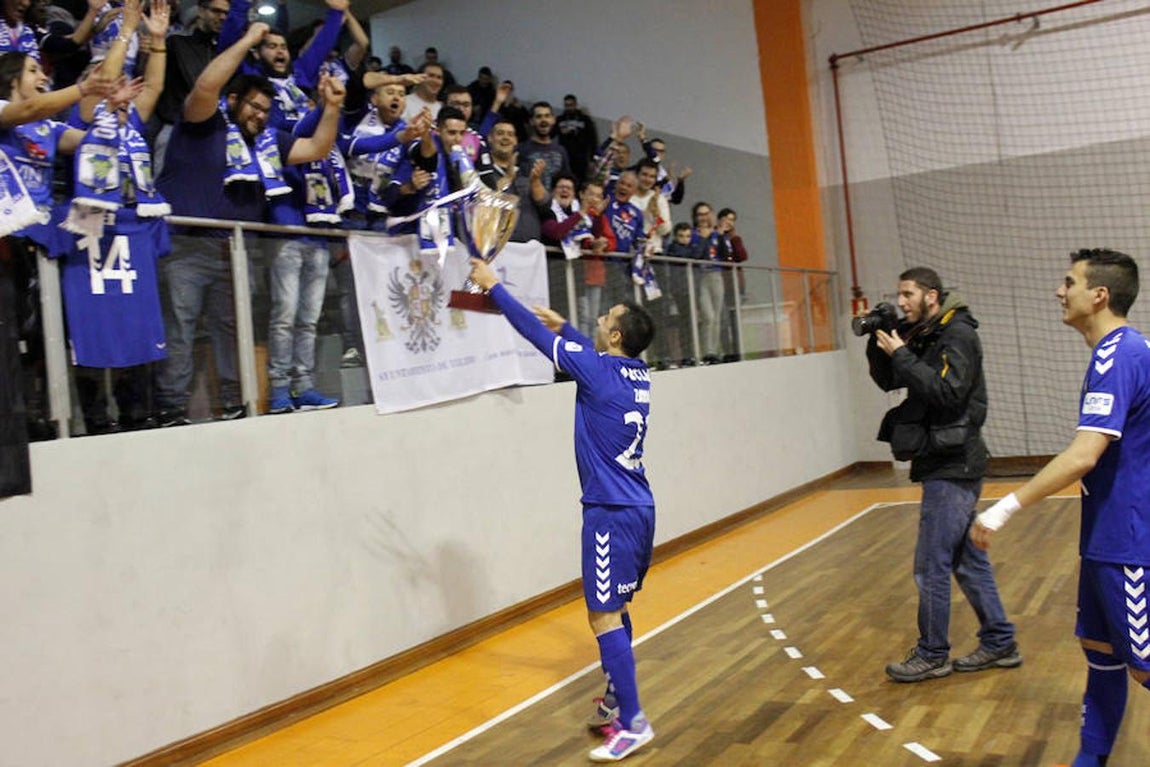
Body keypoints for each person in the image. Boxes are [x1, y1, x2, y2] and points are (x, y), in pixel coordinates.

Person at [467, 257, 657, 763]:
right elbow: (587, 356)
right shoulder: (636, 374)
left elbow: (530, 331)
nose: (598, 321)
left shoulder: (597, 370)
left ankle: (634, 723)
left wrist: (493, 288)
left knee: (601, 616)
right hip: (638, 508)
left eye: (604, 319)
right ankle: (620, 699)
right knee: (617, 608)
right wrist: (569, 330)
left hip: (609, 513)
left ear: (615, 337)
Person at [972, 249, 1150, 767]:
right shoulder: (1114, 353)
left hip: (1130, 543)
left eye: (1068, 282)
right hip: (1104, 538)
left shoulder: (1122, 354)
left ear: (1099, 295)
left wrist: (1003, 507)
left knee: (1144, 666)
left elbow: (1083, 455)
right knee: (1102, 655)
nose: (1059, 291)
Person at [153, 21, 344, 425]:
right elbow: (206, 86)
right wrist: (246, 41)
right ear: (234, 99)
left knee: (231, 332)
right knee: (181, 328)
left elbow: (317, 147)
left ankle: (233, 402)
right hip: (186, 244)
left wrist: (332, 108)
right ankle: (170, 408)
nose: (260, 115)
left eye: (266, 110)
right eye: (253, 107)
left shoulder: (270, 141)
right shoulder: (203, 123)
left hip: (235, 252)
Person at [866, 266, 1019, 683]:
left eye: (907, 294)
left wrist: (902, 353)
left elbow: (948, 393)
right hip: (942, 459)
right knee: (967, 562)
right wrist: (879, 343)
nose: (901, 302)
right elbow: (890, 380)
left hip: (955, 463)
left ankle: (932, 652)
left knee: (930, 565)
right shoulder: (927, 334)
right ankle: (1000, 639)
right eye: (899, 295)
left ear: (931, 296)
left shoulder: (959, 335)